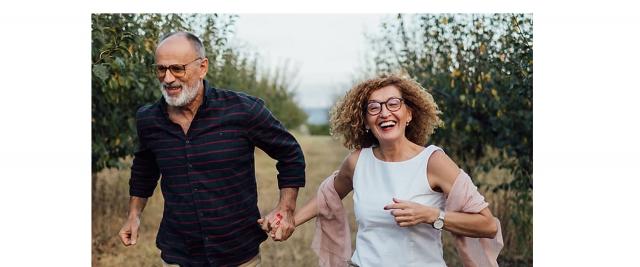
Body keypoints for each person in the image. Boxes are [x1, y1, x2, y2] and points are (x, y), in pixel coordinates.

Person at [117, 31, 305, 267]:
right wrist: (134, 216)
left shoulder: (242, 110)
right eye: (160, 69)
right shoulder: (149, 119)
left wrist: (285, 208)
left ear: (202, 67)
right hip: (179, 254)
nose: (167, 78)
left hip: (238, 254)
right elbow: (144, 170)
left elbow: (290, 153)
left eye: (177, 68)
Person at [281, 75, 502, 267]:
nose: (384, 113)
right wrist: (289, 221)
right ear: (366, 121)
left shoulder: (433, 161)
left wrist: (432, 215)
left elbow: (488, 225)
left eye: (393, 104)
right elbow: (327, 195)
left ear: (409, 114)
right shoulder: (358, 162)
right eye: (374, 108)